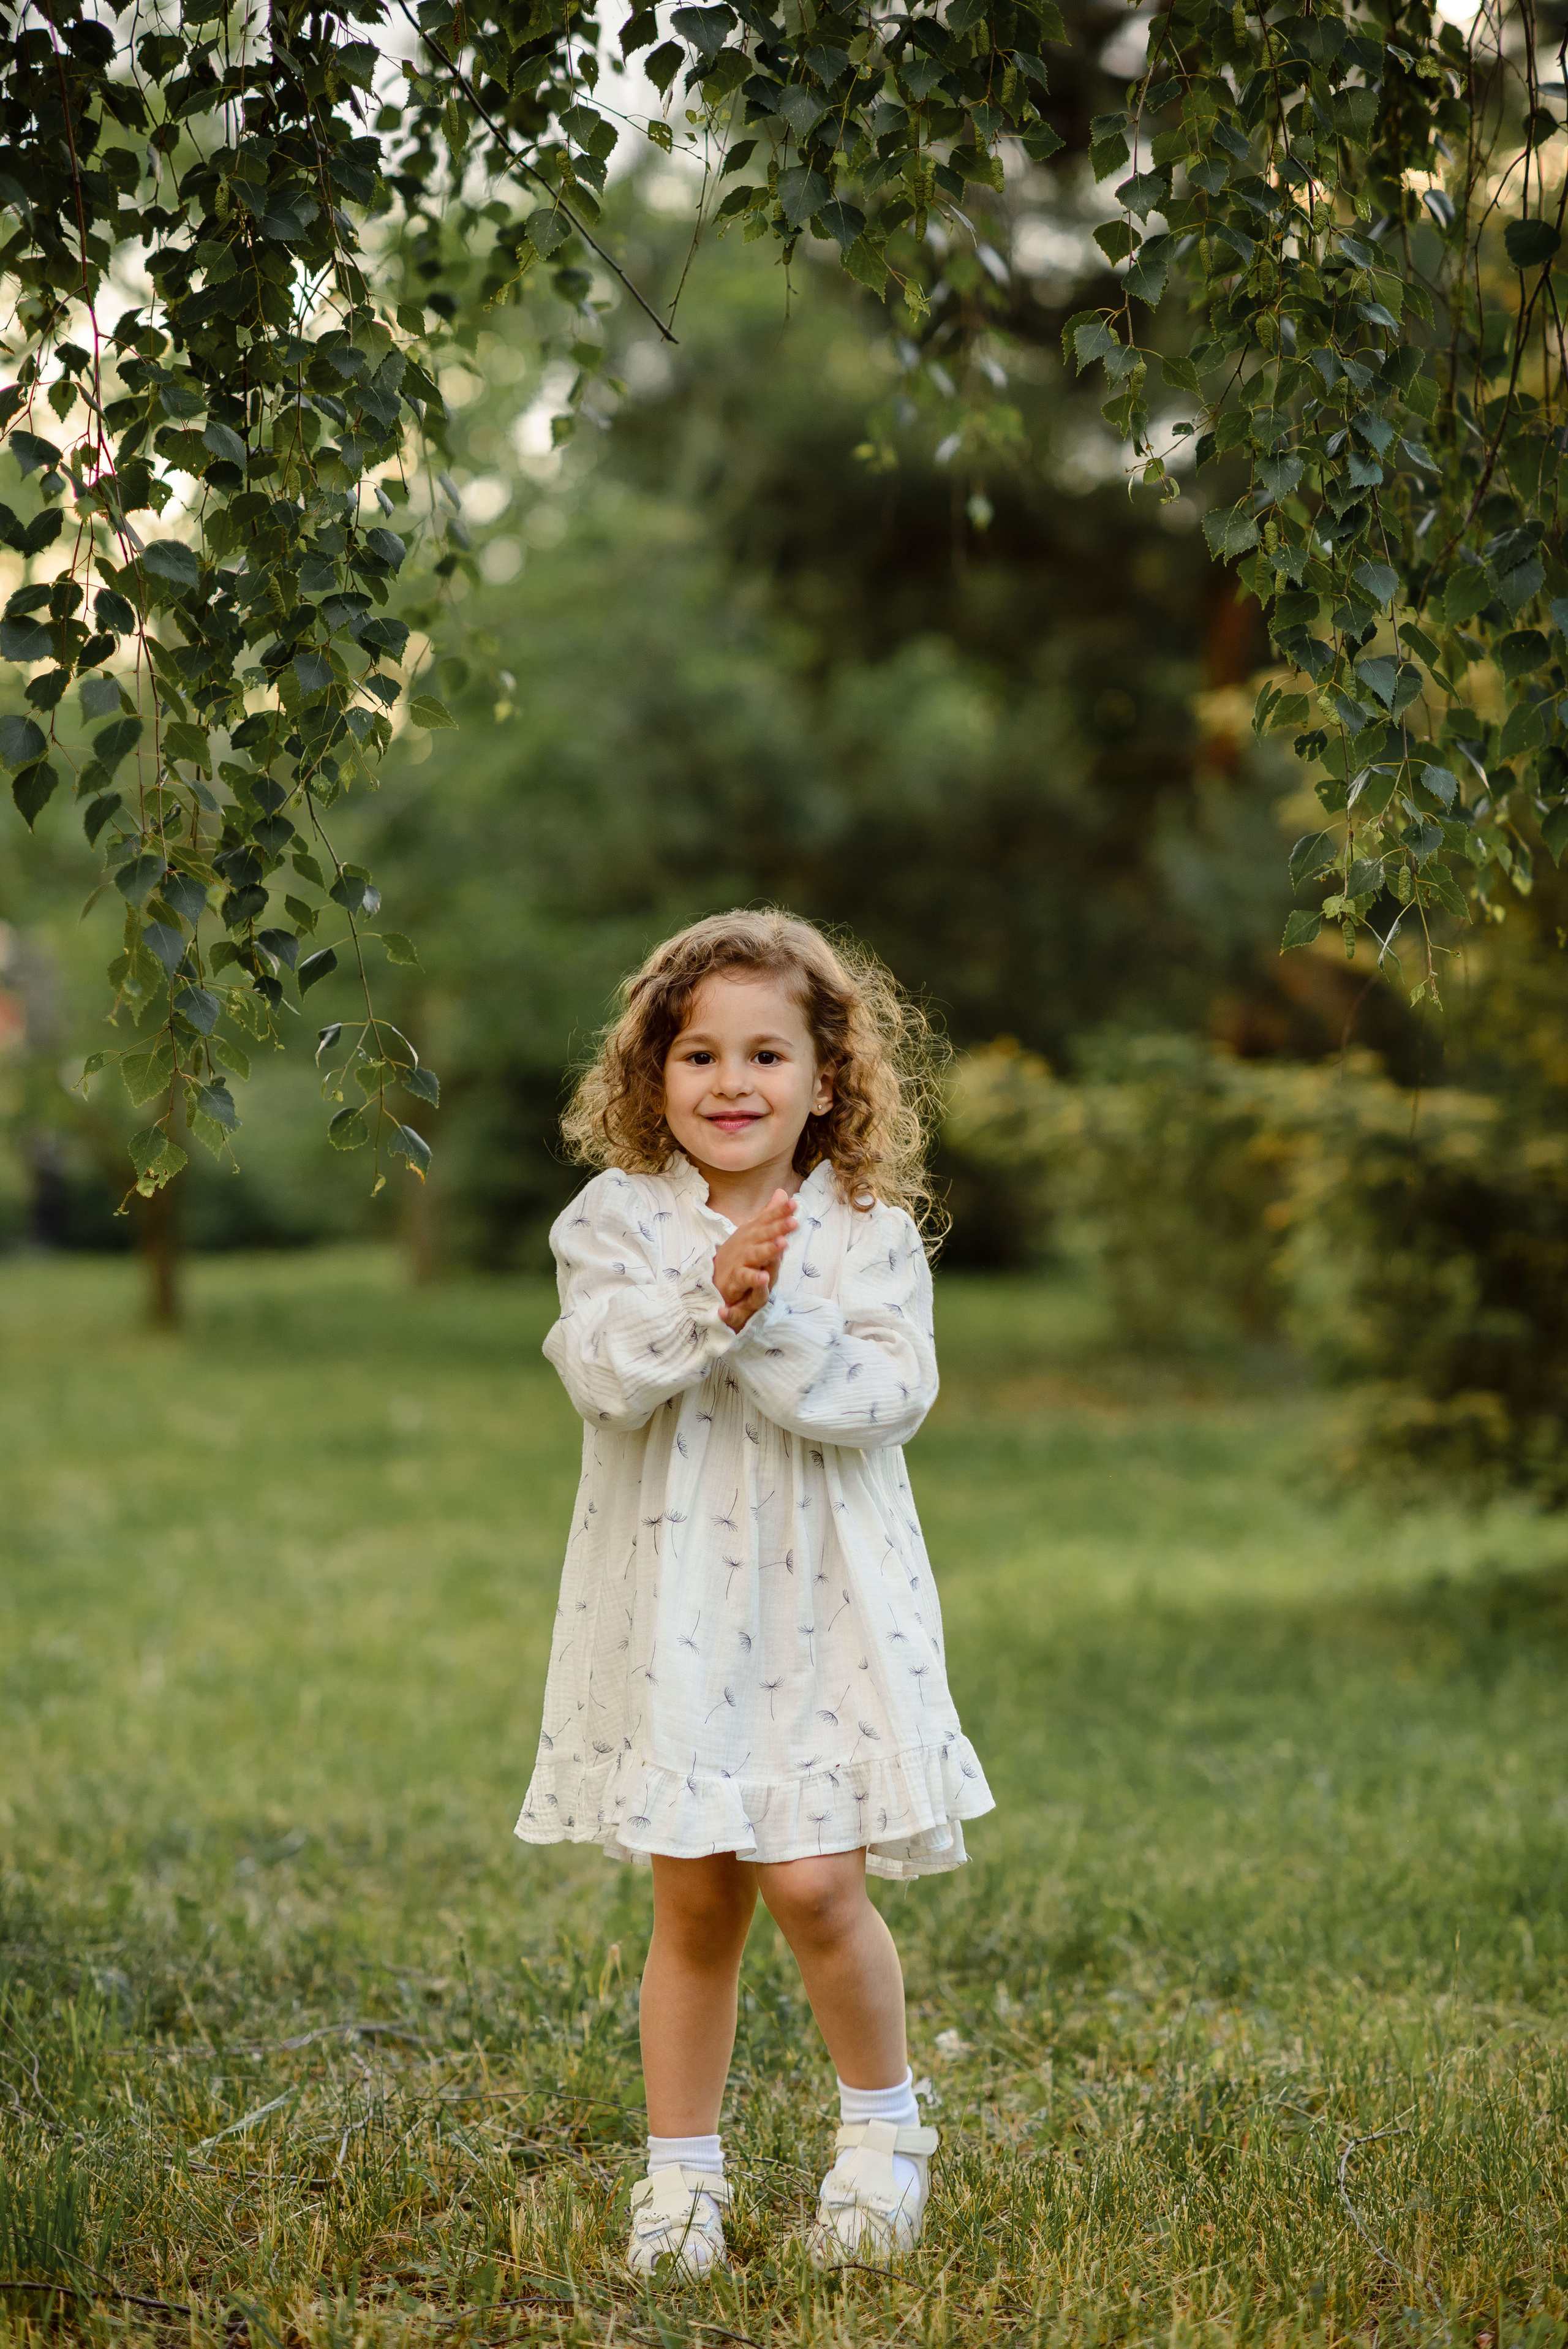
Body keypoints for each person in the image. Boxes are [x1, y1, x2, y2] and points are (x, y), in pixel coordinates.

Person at [515, 909, 993, 2276]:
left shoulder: (867, 1233)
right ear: (651, 1076)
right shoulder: (612, 1223)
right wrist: (702, 1300)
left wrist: (765, 1306)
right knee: (696, 1902)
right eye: (697, 1054)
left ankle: (881, 2134)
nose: (731, 1083)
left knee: (815, 1886)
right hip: (672, 1615)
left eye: (767, 1054)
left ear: (826, 1077)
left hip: (826, 1612)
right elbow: (602, 1371)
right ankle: (679, 2180)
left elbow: (883, 1398)